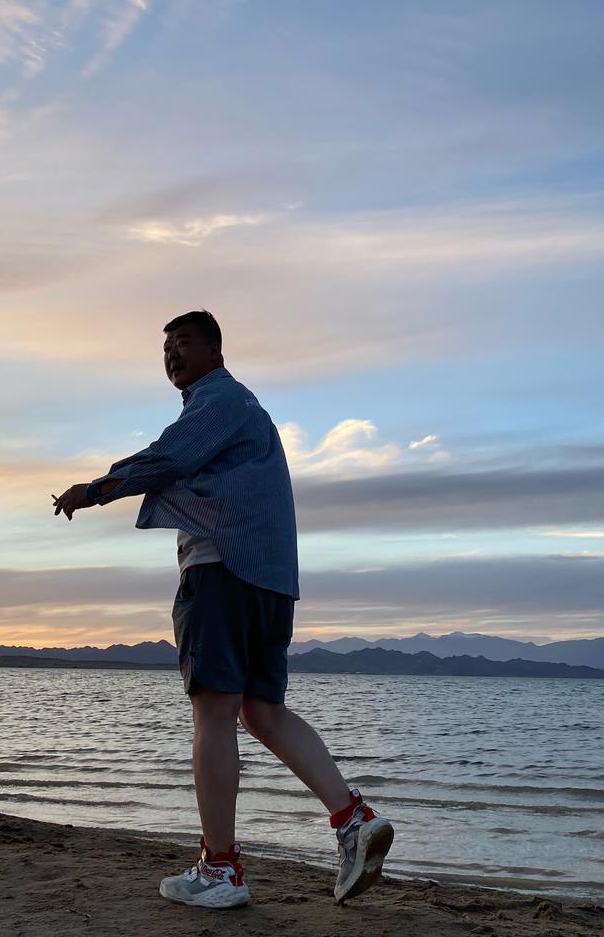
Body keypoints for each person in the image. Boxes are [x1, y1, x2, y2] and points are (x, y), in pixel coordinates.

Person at [53, 309, 393, 909]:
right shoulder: (246, 411)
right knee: (262, 712)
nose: (172, 353)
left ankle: (220, 868)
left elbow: (169, 457)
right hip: (270, 582)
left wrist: (97, 489)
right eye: (166, 346)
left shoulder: (220, 400)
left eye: (184, 342)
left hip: (220, 571)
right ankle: (353, 820)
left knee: (213, 713)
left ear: (215, 351)